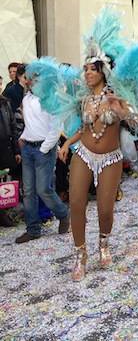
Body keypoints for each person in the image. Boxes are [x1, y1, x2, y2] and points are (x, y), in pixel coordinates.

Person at [29, 8, 138, 281]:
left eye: (91, 69)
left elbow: (136, 125)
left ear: (102, 71)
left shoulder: (118, 96)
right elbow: (85, 128)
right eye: (85, 69)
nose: (86, 73)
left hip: (111, 157)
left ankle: (103, 243)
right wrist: (68, 144)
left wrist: (124, 111)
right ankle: (80, 254)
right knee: (76, 202)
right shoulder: (83, 100)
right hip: (84, 154)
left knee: (105, 209)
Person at [14, 64, 70, 244]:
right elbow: (31, 123)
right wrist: (23, 138)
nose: (27, 80)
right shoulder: (27, 98)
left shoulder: (50, 98)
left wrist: (45, 148)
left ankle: (63, 214)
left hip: (44, 149)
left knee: (43, 189)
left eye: (30, 77)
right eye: (26, 77)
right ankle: (33, 229)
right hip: (28, 148)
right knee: (28, 191)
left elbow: (56, 126)